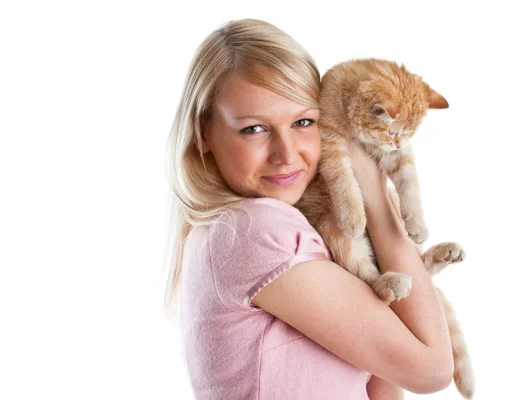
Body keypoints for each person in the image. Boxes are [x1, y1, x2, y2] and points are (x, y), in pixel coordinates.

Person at [163, 18, 454, 399]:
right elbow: (431, 372)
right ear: (203, 134)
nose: (287, 155)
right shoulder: (254, 229)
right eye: (253, 129)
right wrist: (378, 203)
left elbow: (382, 384)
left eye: (303, 122)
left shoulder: (235, 229)